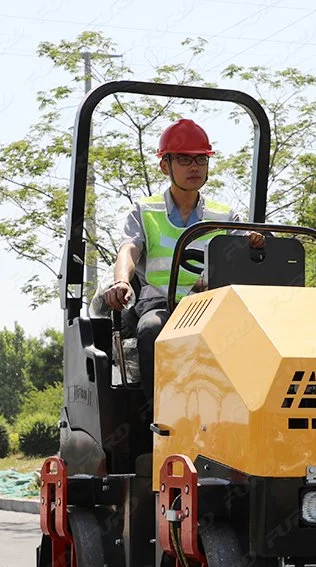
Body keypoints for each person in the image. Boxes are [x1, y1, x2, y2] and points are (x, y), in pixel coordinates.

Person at [103, 118, 263, 405]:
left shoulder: (225, 215)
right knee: (151, 329)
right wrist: (121, 281)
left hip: (214, 307)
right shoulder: (145, 210)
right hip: (163, 307)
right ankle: (162, 419)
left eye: (201, 160)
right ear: (165, 166)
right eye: (185, 160)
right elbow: (129, 248)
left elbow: (250, 250)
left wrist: (255, 241)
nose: (194, 167)